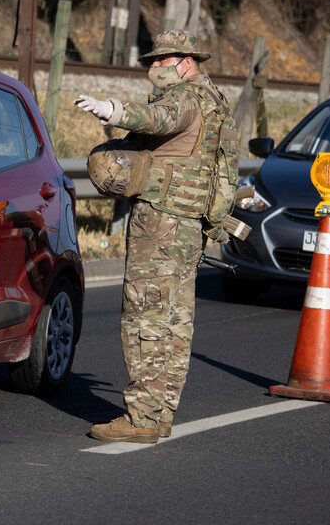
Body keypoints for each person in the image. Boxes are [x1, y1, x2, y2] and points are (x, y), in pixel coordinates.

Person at [75, 29, 234, 444]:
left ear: (186, 61)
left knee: (145, 317)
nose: (155, 68)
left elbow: (156, 118)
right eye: (153, 60)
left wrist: (111, 109)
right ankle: (160, 412)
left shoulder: (183, 98)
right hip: (189, 224)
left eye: (163, 60)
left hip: (161, 222)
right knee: (176, 321)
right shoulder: (213, 99)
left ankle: (142, 418)